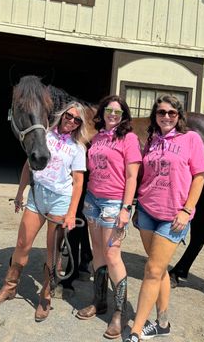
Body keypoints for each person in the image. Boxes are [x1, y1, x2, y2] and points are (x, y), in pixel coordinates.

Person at [0, 102, 89, 322]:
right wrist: (20, 192)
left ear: (80, 124)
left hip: (60, 200)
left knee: (52, 252)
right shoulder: (45, 135)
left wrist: (72, 213)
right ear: (62, 116)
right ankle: (9, 287)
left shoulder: (78, 147)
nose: (70, 121)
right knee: (23, 243)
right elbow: (27, 166)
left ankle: (46, 295)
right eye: (68, 116)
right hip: (37, 195)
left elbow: (78, 183)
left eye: (76, 120)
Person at [126, 95, 204, 342]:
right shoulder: (152, 140)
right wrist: (137, 206)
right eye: (161, 112)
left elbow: (200, 176)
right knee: (159, 269)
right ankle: (162, 323)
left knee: (151, 270)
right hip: (147, 212)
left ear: (179, 116)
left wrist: (187, 211)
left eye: (172, 113)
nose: (166, 117)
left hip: (173, 217)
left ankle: (135, 330)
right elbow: (144, 175)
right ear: (155, 116)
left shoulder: (191, 139)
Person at [76, 95, 142, 339]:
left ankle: (119, 312)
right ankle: (98, 301)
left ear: (123, 114)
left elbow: (132, 177)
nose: (113, 114)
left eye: (117, 111)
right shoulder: (98, 137)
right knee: (99, 253)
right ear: (102, 112)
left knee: (113, 255)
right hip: (92, 200)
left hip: (114, 203)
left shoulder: (129, 138)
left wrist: (126, 207)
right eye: (108, 110)